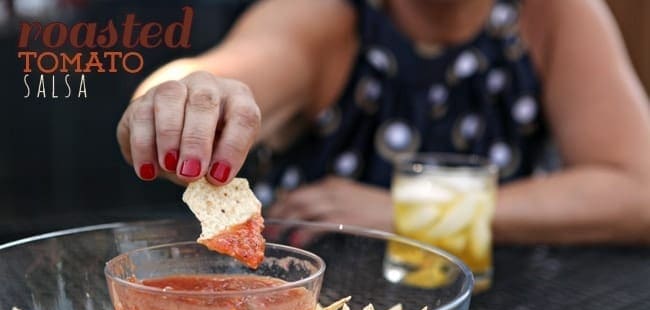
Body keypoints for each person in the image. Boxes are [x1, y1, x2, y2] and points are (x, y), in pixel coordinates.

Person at [117, 0, 650, 244]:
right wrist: (178, 103)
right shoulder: (326, 16)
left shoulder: (555, 15)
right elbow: (209, 77)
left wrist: (415, 211)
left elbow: (638, 190)